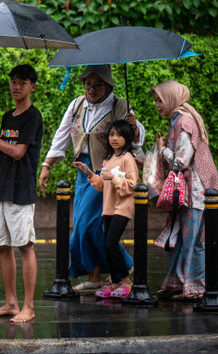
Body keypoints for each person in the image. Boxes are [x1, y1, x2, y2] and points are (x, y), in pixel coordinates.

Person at [39, 64, 144, 293]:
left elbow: (136, 137)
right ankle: (97, 276)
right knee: (88, 226)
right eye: (88, 84)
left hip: (107, 172)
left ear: (107, 85)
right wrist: (47, 164)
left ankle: (123, 267)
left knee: (85, 224)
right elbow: (62, 135)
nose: (92, 89)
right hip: (83, 172)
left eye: (98, 85)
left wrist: (134, 129)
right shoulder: (77, 104)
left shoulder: (119, 106)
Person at [0, 64, 42, 322]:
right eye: (13, 81)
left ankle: (29, 307)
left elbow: (18, 152)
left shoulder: (33, 117)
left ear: (32, 87)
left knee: (24, 246)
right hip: (2, 188)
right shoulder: (7, 117)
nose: (16, 86)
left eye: (22, 82)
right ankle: (11, 303)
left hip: (21, 191)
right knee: (3, 246)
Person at [152, 80, 218, 301]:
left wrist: (163, 151)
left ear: (172, 99)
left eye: (160, 100)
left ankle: (196, 288)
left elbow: (181, 161)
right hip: (185, 191)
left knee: (193, 240)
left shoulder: (185, 122)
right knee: (178, 238)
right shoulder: (175, 121)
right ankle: (178, 283)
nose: (157, 105)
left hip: (196, 193)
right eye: (156, 100)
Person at [72, 120, 139, 299]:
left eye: (119, 135)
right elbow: (103, 186)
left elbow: (132, 185)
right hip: (108, 207)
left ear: (128, 138)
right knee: (107, 244)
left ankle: (126, 282)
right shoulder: (108, 159)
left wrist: (113, 178)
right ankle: (115, 282)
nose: (114, 138)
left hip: (122, 207)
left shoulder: (127, 159)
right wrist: (90, 173)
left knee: (111, 242)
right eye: (111, 135)